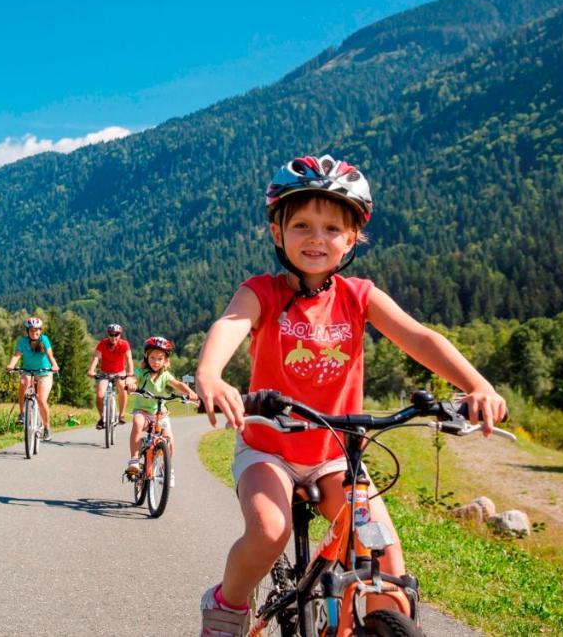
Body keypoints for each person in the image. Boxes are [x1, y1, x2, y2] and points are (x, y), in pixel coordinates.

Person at [194, 154, 507, 636]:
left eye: (331, 228)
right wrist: (211, 376)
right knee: (268, 532)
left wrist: (476, 385)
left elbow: (421, 338)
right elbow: (231, 324)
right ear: (277, 233)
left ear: (352, 238)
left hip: (338, 455)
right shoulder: (262, 291)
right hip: (268, 447)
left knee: (384, 563)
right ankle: (227, 607)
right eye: (301, 225)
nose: (316, 238)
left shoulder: (360, 295)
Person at [125, 336, 198, 483]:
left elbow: (178, 384)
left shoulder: (165, 375)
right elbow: (131, 378)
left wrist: (191, 393)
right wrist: (130, 384)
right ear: (146, 357)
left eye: (160, 358)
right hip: (143, 412)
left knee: (169, 441)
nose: (156, 362)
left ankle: (167, 468)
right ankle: (134, 459)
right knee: (137, 423)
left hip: (160, 414)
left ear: (165, 360)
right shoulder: (141, 373)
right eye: (152, 358)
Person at [7, 316, 61, 441]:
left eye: (37, 330)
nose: (34, 332)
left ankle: (47, 428)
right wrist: (11, 365)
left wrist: (54, 365)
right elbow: (16, 356)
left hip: (44, 372)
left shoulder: (44, 339)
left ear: (40, 330)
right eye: (31, 330)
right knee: (23, 381)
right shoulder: (22, 341)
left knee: (41, 399)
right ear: (27, 331)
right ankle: (22, 413)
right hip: (28, 371)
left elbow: (49, 354)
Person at [87, 323, 133, 429]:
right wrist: (91, 370)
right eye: (111, 335)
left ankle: (121, 415)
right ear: (108, 335)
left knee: (122, 388)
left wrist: (130, 372)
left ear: (120, 335)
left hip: (119, 372)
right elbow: (96, 358)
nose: (113, 337)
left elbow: (129, 359)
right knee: (99, 394)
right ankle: (102, 418)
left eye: (116, 334)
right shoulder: (102, 343)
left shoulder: (124, 344)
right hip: (105, 373)